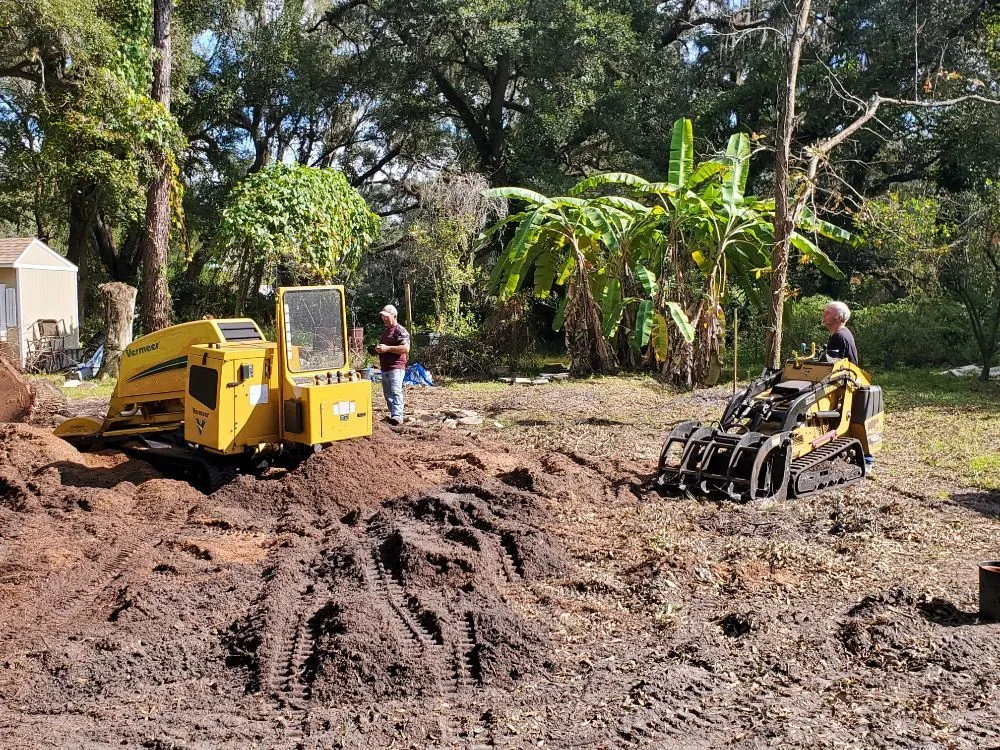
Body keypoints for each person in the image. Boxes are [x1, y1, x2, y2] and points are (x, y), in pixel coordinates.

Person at [375, 304, 410, 426]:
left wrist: (387, 348)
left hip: (396, 367)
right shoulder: (386, 332)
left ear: (394, 316)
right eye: (383, 316)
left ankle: (397, 415)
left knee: (396, 391)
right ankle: (393, 415)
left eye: (386, 316)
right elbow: (385, 348)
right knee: (388, 394)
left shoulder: (400, 330)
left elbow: (405, 348)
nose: (384, 318)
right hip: (385, 367)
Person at [822, 300, 858, 365]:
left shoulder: (839, 336)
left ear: (839, 317)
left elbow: (830, 368)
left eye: (828, 313)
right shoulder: (842, 333)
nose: (824, 315)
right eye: (824, 312)